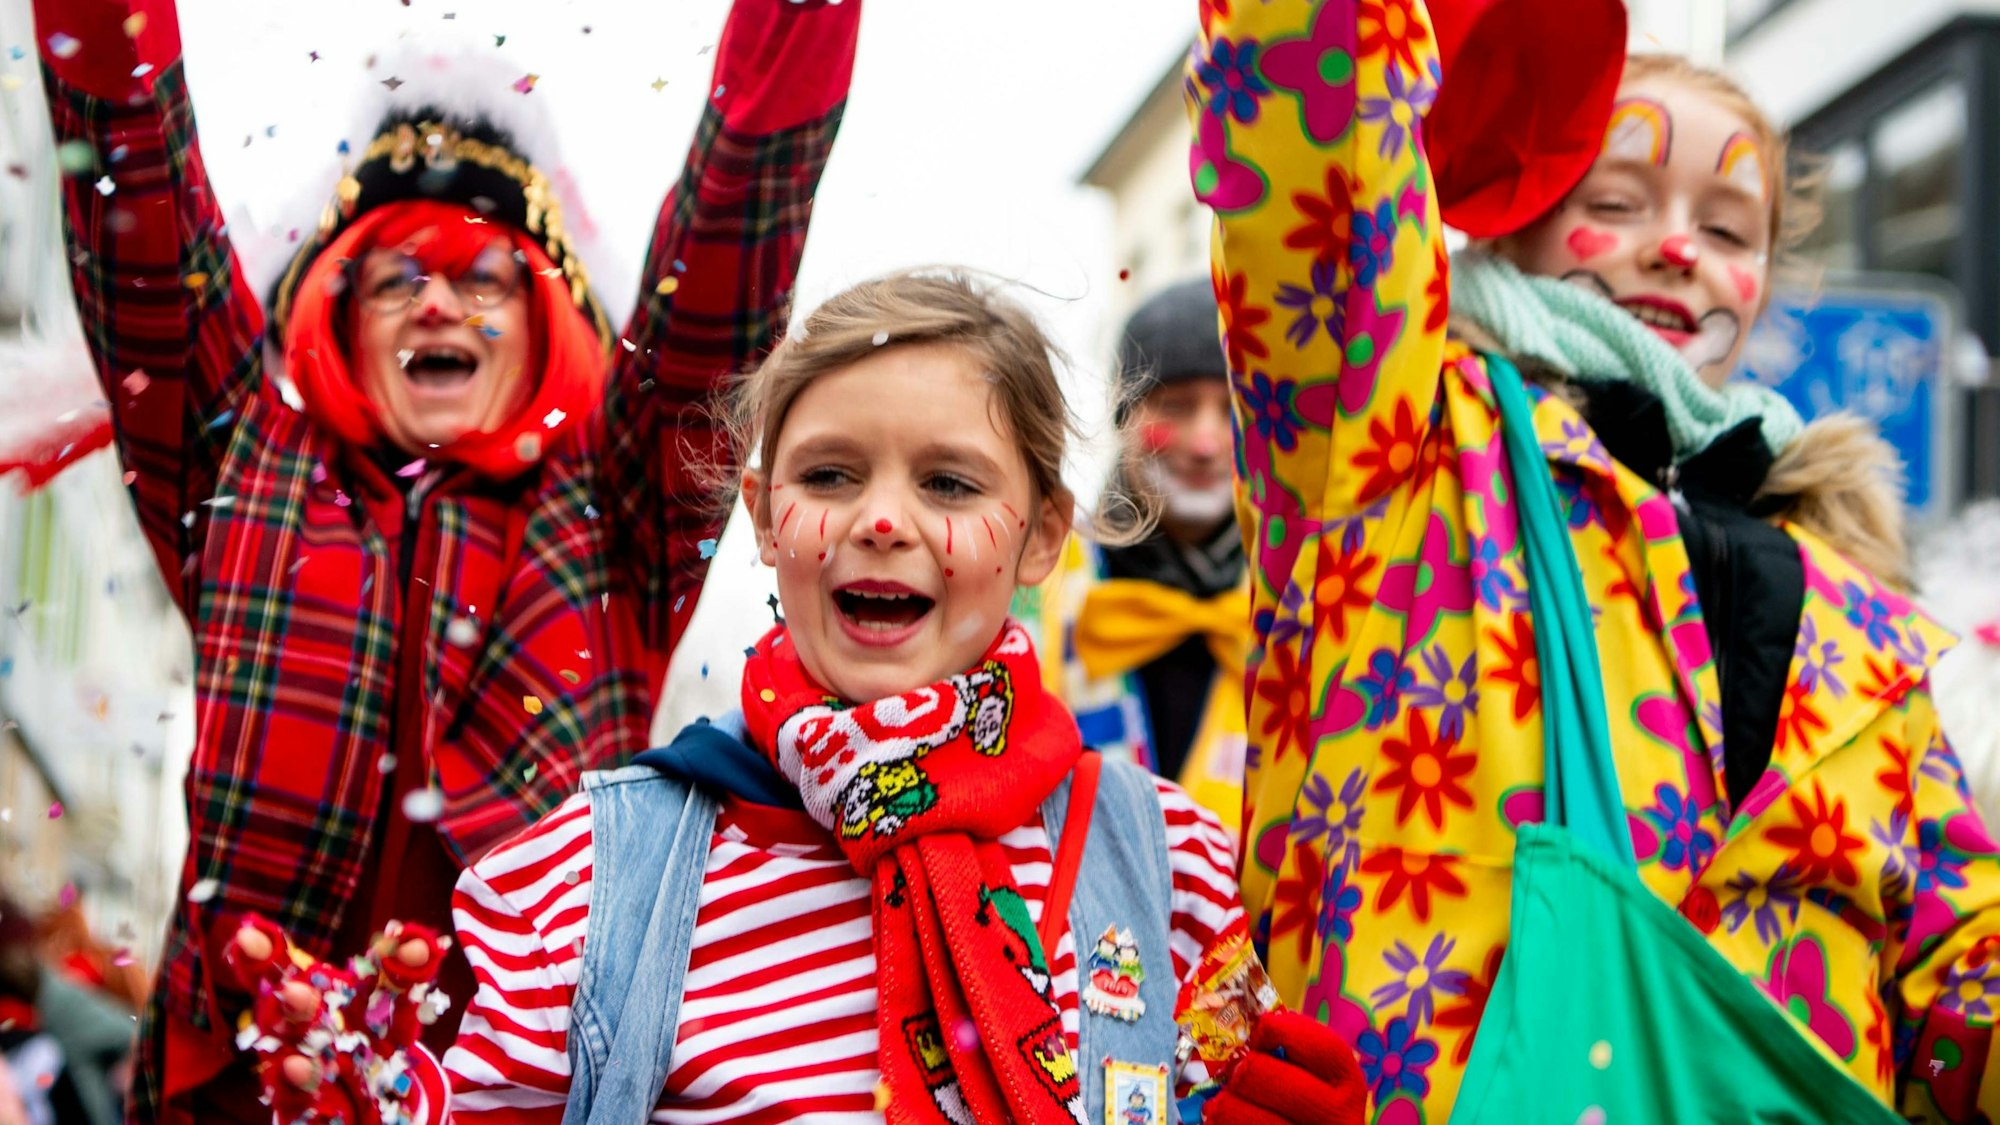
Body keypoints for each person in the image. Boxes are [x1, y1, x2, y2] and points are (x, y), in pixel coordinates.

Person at [229, 272, 1370, 1125]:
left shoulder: (1166, 858)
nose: (882, 518)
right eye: (831, 475)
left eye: (948, 482)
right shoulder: (594, 877)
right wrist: (365, 1087)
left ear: (1040, 535)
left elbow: (1226, 1070)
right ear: (769, 523)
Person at [32, 0, 859, 1117]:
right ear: (339, 313)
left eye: (484, 277)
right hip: (240, 1089)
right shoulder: (233, 458)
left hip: (525, 1091)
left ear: (539, 316)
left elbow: (732, 236)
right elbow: (134, 173)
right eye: (398, 274)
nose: (439, 302)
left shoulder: (626, 505)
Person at [1192, 0, 2000, 1117]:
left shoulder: (1866, 628)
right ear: (1499, 213)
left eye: (1727, 232)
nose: (1676, 249)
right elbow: (1307, 111)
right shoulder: (1392, 458)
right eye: (1613, 203)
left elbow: (1959, 985)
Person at [1031, 278, 1250, 835]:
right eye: (1175, 408)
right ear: (1124, 420)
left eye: (1233, 409)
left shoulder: (1302, 595)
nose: (1205, 443)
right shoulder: (1036, 577)